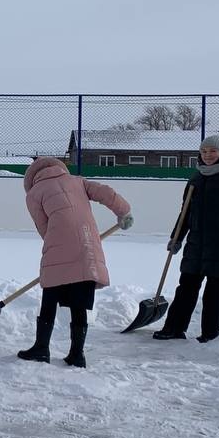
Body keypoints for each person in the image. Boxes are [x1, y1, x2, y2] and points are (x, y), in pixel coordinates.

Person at [17, 157, 133, 368]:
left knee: (50, 298)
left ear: (33, 177)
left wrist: (57, 244)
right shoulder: (78, 181)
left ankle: (41, 348)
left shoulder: (34, 194)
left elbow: (43, 227)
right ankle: (77, 354)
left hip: (59, 247)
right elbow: (106, 193)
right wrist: (124, 211)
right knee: (79, 302)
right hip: (88, 244)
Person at [153, 135, 219, 343]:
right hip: (197, 239)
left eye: (213, 151)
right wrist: (176, 237)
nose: (208, 155)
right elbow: (185, 212)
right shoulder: (196, 177)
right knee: (187, 284)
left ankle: (211, 333)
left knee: (215, 287)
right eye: (204, 151)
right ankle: (174, 328)